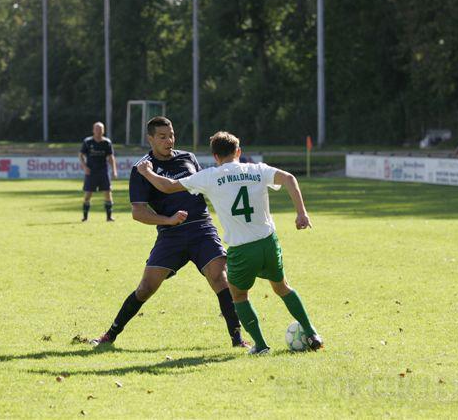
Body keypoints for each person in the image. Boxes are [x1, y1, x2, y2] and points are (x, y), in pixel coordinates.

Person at [137, 131, 323, 354]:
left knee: (238, 295)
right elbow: (290, 179)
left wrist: (147, 172)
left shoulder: (210, 176)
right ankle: (312, 332)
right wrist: (301, 213)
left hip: (242, 249)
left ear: (215, 156)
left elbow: (167, 186)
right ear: (239, 152)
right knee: (282, 287)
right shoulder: (257, 170)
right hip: (268, 243)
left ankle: (261, 346)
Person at [91, 117, 248, 348]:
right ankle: (110, 335)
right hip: (170, 235)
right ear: (150, 139)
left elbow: (206, 185)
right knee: (146, 288)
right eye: (163, 137)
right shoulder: (142, 169)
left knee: (220, 278)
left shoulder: (188, 158)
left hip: (202, 228)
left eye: (171, 135)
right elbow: (138, 212)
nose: (169, 141)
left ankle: (237, 339)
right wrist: (167, 220)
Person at [78, 122, 118, 221]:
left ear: (103, 131)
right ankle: (85, 217)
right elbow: (81, 155)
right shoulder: (88, 142)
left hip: (103, 172)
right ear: (93, 130)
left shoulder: (106, 142)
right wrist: (84, 167)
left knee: (108, 194)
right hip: (91, 172)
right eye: (97, 129)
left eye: (100, 129)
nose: (98, 131)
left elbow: (111, 157)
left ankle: (109, 217)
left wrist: (114, 170)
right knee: (88, 195)